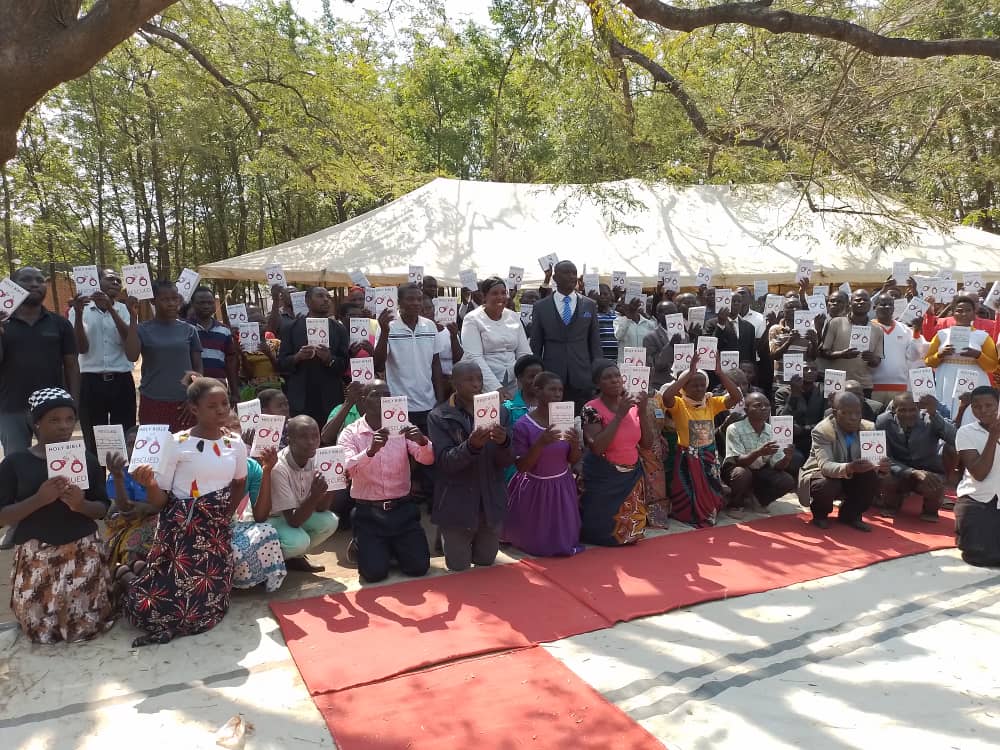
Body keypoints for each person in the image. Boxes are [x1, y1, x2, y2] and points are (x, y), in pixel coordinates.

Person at [121, 378, 248, 646]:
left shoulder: (235, 443)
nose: (221, 410)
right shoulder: (177, 443)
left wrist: (225, 515)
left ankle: (134, 569)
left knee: (206, 605)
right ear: (194, 409)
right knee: (154, 609)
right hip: (180, 535)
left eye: (224, 403)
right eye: (212, 406)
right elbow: (160, 501)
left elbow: (239, 482)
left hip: (215, 534)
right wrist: (150, 484)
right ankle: (126, 577)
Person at [0, 387, 113, 643]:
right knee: (38, 630)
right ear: (36, 423)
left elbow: (102, 508)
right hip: (36, 557)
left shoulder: (86, 459)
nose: (64, 426)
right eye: (54, 420)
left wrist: (80, 505)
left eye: (69, 419)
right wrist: (39, 500)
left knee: (83, 627)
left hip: (82, 553)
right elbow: (2, 516)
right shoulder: (16, 463)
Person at [339, 379, 433, 582]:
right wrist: (370, 451)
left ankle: (390, 548)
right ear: (363, 400)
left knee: (418, 568)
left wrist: (422, 441)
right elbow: (347, 469)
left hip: (402, 509)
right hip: (368, 512)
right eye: (377, 395)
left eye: (387, 395)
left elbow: (427, 459)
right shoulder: (351, 433)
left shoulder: (403, 426)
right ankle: (365, 545)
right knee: (374, 574)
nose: (383, 400)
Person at [428, 361, 514, 571]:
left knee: (486, 561)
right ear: (454, 383)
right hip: (456, 503)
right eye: (469, 380)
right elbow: (445, 462)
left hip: (490, 500)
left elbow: (507, 461)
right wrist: (471, 446)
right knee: (458, 567)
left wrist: (504, 443)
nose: (476, 384)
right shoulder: (439, 416)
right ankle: (444, 536)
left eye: (479, 379)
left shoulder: (500, 412)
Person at [0, 267, 80, 456]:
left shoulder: (60, 323)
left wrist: (74, 402)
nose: (35, 284)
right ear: (12, 286)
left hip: (54, 407)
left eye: (40, 280)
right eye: (26, 279)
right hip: (11, 408)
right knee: (18, 462)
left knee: (58, 461)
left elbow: (71, 365)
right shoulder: (3, 323)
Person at [504, 371, 583, 556]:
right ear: (537, 391)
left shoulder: (565, 421)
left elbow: (572, 459)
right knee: (538, 544)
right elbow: (522, 466)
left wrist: (574, 444)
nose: (557, 394)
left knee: (563, 541)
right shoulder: (523, 425)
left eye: (560, 390)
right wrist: (541, 443)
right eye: (552, 389)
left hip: (563, 486)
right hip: (536, 489)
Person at [658, 355, 742, 527]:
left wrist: (720, 373)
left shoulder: (711, 402)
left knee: (710, 487)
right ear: (684, 387)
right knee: (687, 488)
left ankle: (708, 511)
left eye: (702, 385)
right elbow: (666, 397)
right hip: (687, 456)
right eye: (694, 385)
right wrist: (689, 373)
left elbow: (736, 396)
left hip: (708, 454)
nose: (699, 388)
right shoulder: (679, 404)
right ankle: (689, 515)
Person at [580, 360, 655, 544]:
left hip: (631, 475)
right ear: (598, 384)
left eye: (617, 376)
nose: (614, 380)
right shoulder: (591, 408)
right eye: (607, 377)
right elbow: (597, 447)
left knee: (629, 533)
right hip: (604, 475)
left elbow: (647, 444)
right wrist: (619, 415)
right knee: (602, 531)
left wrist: (642, 412)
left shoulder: (634, 406)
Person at [68, 268, 140, 456]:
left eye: (118, 280)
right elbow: (81, 348)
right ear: (96, 281)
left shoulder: (125, 310)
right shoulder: (80, 309)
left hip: (121, 380)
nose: (115, 283)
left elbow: (130, 344)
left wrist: (111, 310)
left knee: (125, 435)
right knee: (93, 438)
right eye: (110, 279)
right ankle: (97, 475)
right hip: (91, 382)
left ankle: (122, 474)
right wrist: (78, 314)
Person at [796, 392, 890, 531]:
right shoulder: (822, 430)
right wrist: (849, 467)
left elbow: (875, 461)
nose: (854, 418)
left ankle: (851, 515)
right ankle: (820, 514)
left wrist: (882, 467)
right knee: (826, 485)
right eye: (847, 413)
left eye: (857, 413)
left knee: (871, 477)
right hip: (821, 473)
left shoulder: (869, 428)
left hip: (854, 473)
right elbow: (825, 466)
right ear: (835, 413)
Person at [267, 415, 339, 571]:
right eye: (303, 437)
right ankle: (267, 564)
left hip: (295, 514)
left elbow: (321, 508)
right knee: (299, 542)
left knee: (330, 521)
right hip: (271, 519)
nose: (311, 441)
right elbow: (293, 520)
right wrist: (314, 496)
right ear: (289, 440)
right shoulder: (279, 468)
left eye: (315, 436)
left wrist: (333, 484)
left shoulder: (318, 459)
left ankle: (294, 558)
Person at [529, 261, 602, 410]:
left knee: (584, 418)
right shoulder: (541, 307)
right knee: (554, 418)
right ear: (555, 278)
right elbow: (536, 345)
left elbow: (595, 342)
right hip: (552, 375)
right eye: (566, 273)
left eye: (574, 273)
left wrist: (598, 373)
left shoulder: (589, 305)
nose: (571, 276)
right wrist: (536, 376)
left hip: (583, 376)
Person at [375, 283, 445, 435]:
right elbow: (378, 365)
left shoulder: (430, 326)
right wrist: (385, 332)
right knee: (400, 447)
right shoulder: (388, 326)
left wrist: (440, 399)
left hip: (429, 403)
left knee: (426, 447)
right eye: (410, 299)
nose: (416, 303)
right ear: (399, 302)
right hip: (398, 404)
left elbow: (436, 364)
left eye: (419, 299)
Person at [876, 393, 956, 521]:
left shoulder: (930, 418)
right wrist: (912, 472)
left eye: (912, 410)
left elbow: (954, 439)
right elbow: (884, 456)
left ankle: (930, 510)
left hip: (928, 470)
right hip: (899, 472)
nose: (908, 414)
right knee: (886, 478)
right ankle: (891, 504)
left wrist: (934, 414)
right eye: (902, 410)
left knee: (934, 483)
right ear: (893, 410)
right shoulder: (883, 421)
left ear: (919, 409)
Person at [136, 280, 203, 431]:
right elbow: (131, 356)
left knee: (185, 444)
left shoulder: (189, 330)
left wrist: (193, 398)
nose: (171, 303)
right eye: (165, 299)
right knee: (155, 444)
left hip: (184, 403)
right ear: (153, 301)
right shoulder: (142, 329)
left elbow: (198, 368)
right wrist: (132, 317)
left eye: (175, 298)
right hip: (152, 400)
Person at [278, 287, 349, 428]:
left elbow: (344, 365)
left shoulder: (339, 329)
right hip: (300, 398)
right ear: (307, 301)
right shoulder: (291, 328)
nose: (326, 300)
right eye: (320, 296)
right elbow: (281, 364)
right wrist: (298, 357)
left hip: (330, 398)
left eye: (328, 297)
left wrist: (329, 359)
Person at [925, 295, 998, 424]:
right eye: (959, 310)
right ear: (953, 313)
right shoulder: (942, 335)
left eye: (968, 310)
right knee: (947, 408)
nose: (963, 313)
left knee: (972, 412)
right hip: (947, 379)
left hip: (974, 379)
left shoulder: (983, 336)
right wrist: (940, 354)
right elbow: (928, 361)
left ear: (974, 313)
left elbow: (992, 366)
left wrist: (978, 355)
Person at [723, 391, 795, 514]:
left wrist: (787, 458)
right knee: (741, 473)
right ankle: (736, 504)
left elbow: (777, 465)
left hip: (761, 470)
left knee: (787, 480)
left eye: (767, 405)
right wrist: (759, 452)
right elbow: (738, 461)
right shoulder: (734, 428)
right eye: (758, 405)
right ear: (746, 410)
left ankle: (759, 500)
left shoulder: (773, 430)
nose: (764, 408)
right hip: (737, 469)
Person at [230, 442, 287, 593]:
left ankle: (259, 578)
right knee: (234, 550)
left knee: (267, 532)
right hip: (204, 526)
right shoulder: (206, 466)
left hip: (232, 525)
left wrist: (266, 470)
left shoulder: (250, 467)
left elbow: (261, 516)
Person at [954, 386, 1000, 567]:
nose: (983, 410)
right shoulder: (966, 432)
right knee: (979, 554)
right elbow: (980, 474)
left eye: (989, 405)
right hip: (978, 499)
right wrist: (993, 436)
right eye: (977, 406)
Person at [461, 277, 532, 393]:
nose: (500, 297)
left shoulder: (513, 316)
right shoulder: (472, 319)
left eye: (503, 293)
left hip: (513, 382)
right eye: (494, 293)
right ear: (484, 296)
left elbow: (524, 353)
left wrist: (527, 381)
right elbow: (474, 357)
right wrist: (495, 388)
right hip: (483, 384)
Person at [104, 426, 159, 566]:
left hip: (156, 518)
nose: (135, 449)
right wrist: (118, 478)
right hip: (130, 520)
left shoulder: (163, 470)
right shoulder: (120, 472)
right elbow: (125, 508)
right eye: (130, 444)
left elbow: (169, 503)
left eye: (141, 444)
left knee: (133, 548)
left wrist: (147, 508)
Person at [818, 290, 884, 396]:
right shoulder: (835, 323)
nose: (861, 302)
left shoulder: (877, 329)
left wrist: (872, 359)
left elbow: (877, 361)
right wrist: (841, 354)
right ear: (849, 303)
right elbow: (823, 352)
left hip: (863, 385)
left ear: (870, 304)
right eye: (857, 300)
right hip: (836, 382)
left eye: (865, 300)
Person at [869, 295, 929, 406]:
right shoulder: (868, 328)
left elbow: (913, 356)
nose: (887, 307)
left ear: (894, 308)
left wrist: (916, 331)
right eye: (883, 304)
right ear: (874, 307)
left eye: (890, 305)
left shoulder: (904, 329)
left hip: (899, 388)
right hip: (873, 387)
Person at [188, 286, 240, 403]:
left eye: (210, 302)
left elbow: (230, 364)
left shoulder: (224, 331)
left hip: (218, 388)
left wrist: (235, 393)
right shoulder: (185, 329)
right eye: (201, 303)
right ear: (192, 304)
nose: (206, 306)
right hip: (192, 391)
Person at [768, 293, 819, 394]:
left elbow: (812, 358)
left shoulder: (809, 330)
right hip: (781, 383)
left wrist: (814, 342)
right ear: (783, 311)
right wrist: (789, 341)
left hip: (802, 384)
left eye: (797, 307)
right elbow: (774, 355)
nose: (794, 310)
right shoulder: (776, 329)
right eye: (790, 307)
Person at [644, 300, 679, 391]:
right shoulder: (650, 337)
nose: (672, 316)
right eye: (668, 313)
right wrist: (670, 345)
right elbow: (656, 364)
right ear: (658, 315)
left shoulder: (685, 335)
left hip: (681, 383)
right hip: (661, 385)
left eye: (674, 313)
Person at [614, 296, 656, 362]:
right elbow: (618, 336)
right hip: (625, 364)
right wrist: (628, 318)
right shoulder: (619, 321)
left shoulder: (649, 323)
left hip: (643, 364)